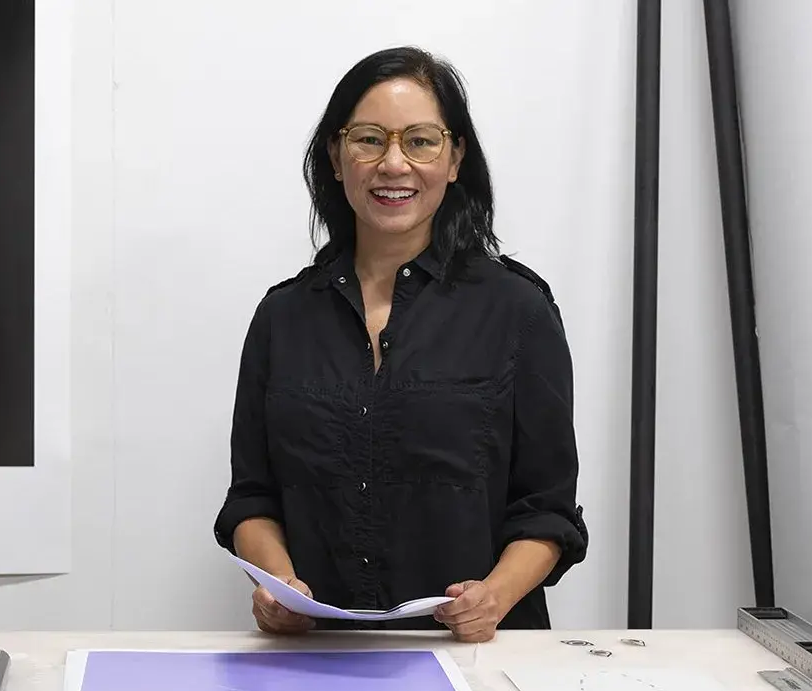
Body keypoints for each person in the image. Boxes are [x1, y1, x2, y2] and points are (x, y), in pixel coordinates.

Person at [212, 46, 588, 642]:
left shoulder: (518, 309)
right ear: (336, 157)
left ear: (456, 157)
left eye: (420, 140)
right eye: (368, 139)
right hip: (320, 655)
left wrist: (493, 597)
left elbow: (547, 509)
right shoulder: (282, 317)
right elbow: (252, 498)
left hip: (479, 656)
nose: (393, 164)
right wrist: (278, 587)